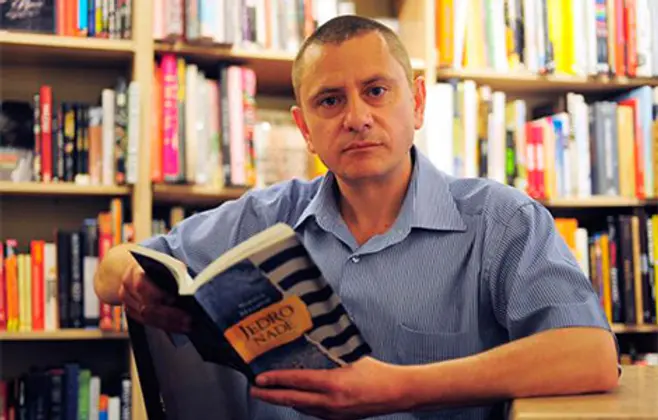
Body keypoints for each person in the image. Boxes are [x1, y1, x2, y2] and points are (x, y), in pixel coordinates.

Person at [94, 15, 619, 420]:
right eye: (329, 101)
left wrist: (399, 388)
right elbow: (114, 267)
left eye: (376, 91)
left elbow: (591, 356)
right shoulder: (264, 216)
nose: (357, 118)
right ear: (305, 128)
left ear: (417, 102)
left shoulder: (500, 220)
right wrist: (132, 276)